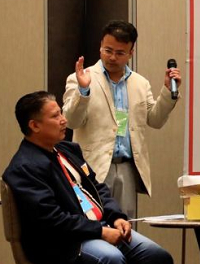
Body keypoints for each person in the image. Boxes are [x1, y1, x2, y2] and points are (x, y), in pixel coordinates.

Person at [2, 91, 173, 264]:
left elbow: (97, 187)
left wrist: (116, 217)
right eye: (55, 116)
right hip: (64, 243)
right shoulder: (24, 168)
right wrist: (100, 231)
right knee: (111, 259)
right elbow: (51, 219)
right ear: (35, 126)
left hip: (99, 226)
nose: (63, 120)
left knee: (157, 256)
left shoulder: (68, 150)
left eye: (61, 113)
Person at [62, 20, 181, 218]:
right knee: (94, 222)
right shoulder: (81, 78)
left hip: (127, 167)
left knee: (125, 223)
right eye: (108, 50)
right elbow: (72, 121)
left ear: (130, 53)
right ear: (100, 46)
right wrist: (83, 91)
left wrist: (168, 91)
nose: (112, 57)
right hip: (93, 166)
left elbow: (155, 120)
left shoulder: (140, 83)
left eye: (120, 53)